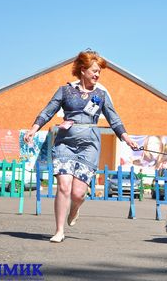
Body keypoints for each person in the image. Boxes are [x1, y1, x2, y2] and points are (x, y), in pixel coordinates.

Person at [24, 50, 138, 243]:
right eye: (94, 70)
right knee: (63, 186)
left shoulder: (100, 95)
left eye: (99, 72)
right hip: (64, 145)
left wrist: (127, 139)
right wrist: (33, 129)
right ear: (83, 70)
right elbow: (48, 111)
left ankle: (75, 208)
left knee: (78, 193)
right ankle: (59, 230)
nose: (97, 75)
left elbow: (113, 118)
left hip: (89, 147)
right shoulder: (65, 91)